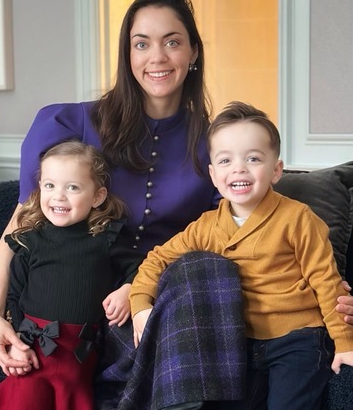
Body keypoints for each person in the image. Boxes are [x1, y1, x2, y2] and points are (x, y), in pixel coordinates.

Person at [0, 0, 219, 375]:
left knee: (201, 280)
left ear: (193, 52)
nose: (157, 57)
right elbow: (21, 225)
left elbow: (236, 233)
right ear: (128, 55)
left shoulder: (214, 145)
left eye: (172, 42)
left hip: (167, 294)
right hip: (80, 299)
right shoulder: (68, 124)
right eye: (141, 44)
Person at [130, 101, 353, 409]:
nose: (239, 168)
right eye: (225, 160)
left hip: (297, 338)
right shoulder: (206, 226)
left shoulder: (298, 218)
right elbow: (159, 258)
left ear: (276, 170)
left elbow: (326, 281)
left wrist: (345, 342)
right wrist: (140, 302)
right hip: (237, 344)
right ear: (213, 174)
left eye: (253, 158)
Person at [0, 141, 143, 409]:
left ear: (97, 196)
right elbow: (15, 293)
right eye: (50, 185)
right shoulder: (32, 239)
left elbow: (139, 267)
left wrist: (127, 289)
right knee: (25, 396)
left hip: (79, 354)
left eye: (72, 187)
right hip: (33, 347)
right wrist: (17, 343)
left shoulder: (105, 238)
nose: (59, 196)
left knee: (73, 395)